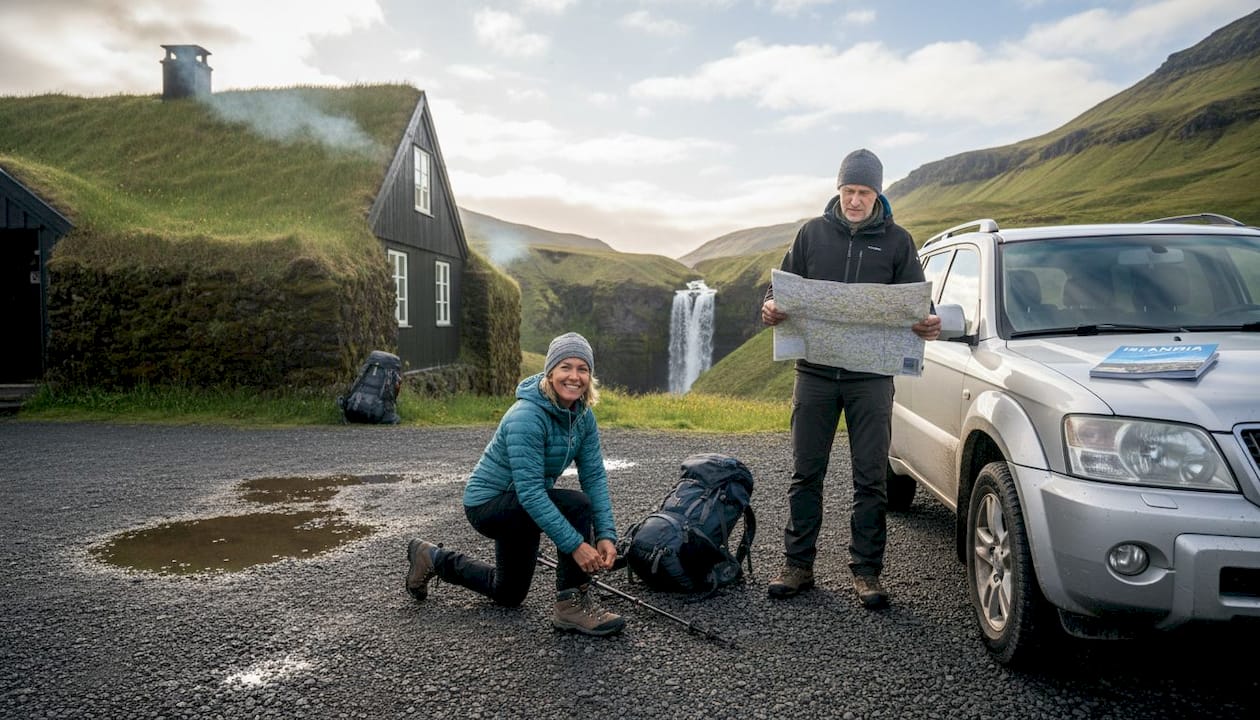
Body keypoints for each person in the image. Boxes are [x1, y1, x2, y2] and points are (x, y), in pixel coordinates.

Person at [760, 148, 941, 609]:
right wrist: (770, 307)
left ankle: (867, 573)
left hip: (872, 379)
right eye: (848, 191)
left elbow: (919, 306)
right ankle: (796, 566)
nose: (855, 200)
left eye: (863, 192)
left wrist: (929, 321)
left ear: (877, 193)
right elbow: (780, 288)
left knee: (871, 478)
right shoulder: (811, 235)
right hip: (815, 374)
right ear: (838, 188)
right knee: (806, 473)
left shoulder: (899, 242)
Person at [404, 332, 625, 636]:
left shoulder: (582, 417)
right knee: (576, 505)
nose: (574, 376)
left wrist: (606, 535)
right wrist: (576, 546)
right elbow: (532, 493)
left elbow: (594, 477)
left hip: (521, 507)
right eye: (565, 367)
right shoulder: (527, 416)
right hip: (490, 505)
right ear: (550, 372)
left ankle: (432, 558)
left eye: (582, 369)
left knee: (508, 593)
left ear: (590, 375)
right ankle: (571, 605)